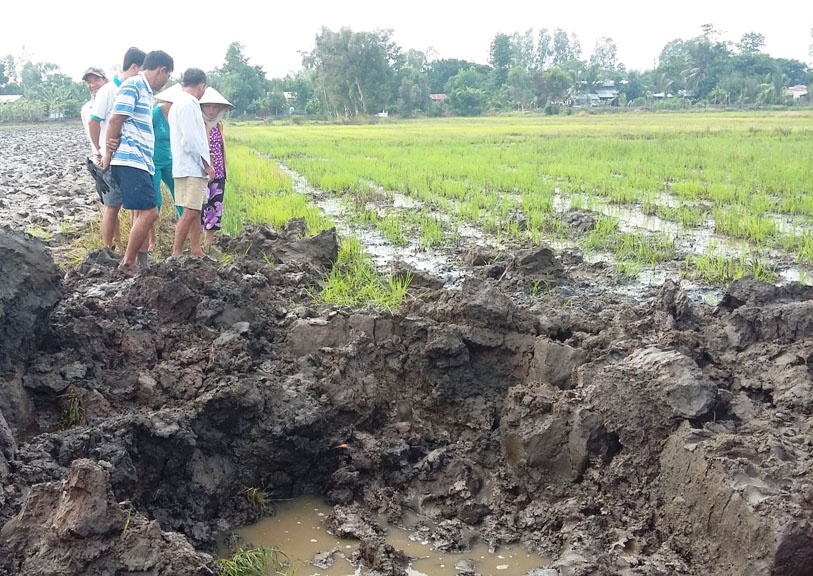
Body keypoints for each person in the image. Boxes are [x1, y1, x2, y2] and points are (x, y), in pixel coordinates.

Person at [101, 50, 174, 276]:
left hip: (141, 161)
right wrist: (107, 154)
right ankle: (129, 262)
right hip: (130, 160)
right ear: (162, 70)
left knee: (144, 212)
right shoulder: (133, 85)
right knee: (150, 213)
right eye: (167, 77)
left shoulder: (145, 91)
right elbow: (115, 119)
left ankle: (142, 263)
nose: (165, 82)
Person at [89, 47, 147, 252]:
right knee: (112, 206)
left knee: (133, 206)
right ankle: (107, 248)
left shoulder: (132, 88)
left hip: (128, 157)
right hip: (110, 157)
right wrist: (100, 149)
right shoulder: (109, 91)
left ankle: (123, 246)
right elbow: (94, 122)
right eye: (144, 70)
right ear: (135, 67)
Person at [167, 68, 214, 258]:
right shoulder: (189, 104)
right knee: (189, 211)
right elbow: (191, 140)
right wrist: (206, 164)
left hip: (185, 166)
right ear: (201, 86)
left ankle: (196, 250)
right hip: (192, 168)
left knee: (195, 210)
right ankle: (176, 254)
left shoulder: (178, 103)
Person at [199, 87, 234, 253]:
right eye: (207, 106)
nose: (211, 110)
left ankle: (209, 244)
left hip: (219, 172)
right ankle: (195, 244)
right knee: (199, 207)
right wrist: (208, 165)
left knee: (215, 207)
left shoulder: (219, 125)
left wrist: (221, 169)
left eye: (215, 107)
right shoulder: (198, 124)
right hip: (202, 172)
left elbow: (221, 148)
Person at [80, 67, 110, 205]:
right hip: (101, 160)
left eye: (96, 80)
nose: (92, 85)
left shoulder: (115, 101)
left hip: (120, 158)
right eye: (89, 82)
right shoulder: (86, 109)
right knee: (110, 206)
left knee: (135, 204)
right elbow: (91, 134)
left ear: (105, 80)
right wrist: (98, 153)